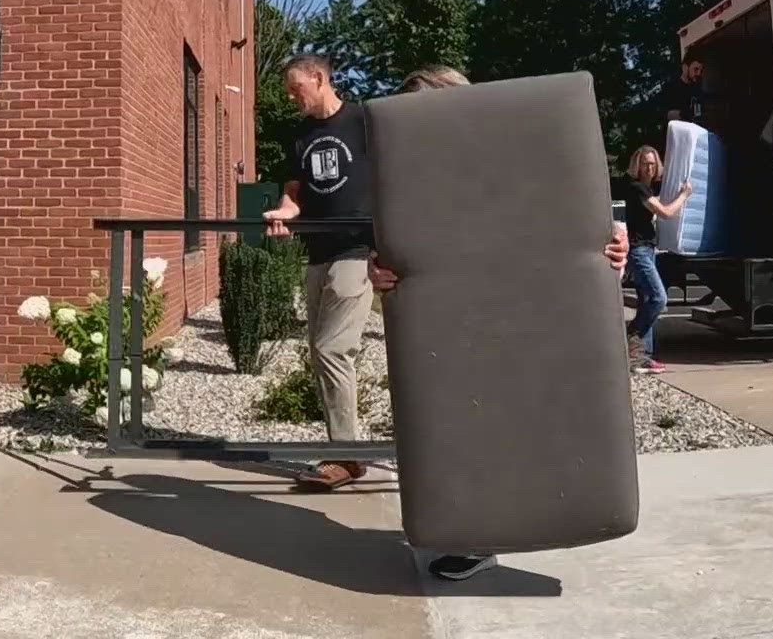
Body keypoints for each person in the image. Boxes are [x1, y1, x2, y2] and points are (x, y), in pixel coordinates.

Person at [368, 66, 629, 583]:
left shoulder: (514, 156)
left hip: (522, 312)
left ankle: (512, 523)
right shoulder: (413, 179)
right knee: (468, 422)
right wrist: (382, 272)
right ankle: (475, 531)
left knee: (523, 415)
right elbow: (399, 247)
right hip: (455, 319)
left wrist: (609, 244)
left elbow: (568, 212)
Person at [262, 53, 376, 493]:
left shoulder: (366, 122)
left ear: (319, 77)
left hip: (357, 250)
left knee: (332, 349)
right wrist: (284, 213)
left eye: (296, 88)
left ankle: (346, 455)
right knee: (320, 350)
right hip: (318, 253)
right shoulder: (302, 134)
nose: (292, 97)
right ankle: (347, 454)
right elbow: (295, 195)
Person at [616, 145, 690, 374]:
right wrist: (684, 195)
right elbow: (666, 212)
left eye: (652, 163)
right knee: (659, 298)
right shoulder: (637, 187)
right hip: (638, 251)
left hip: (648, 249)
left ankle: (641, 358)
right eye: (645, 163)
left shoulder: (646, 189)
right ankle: (633, 336)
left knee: (647, 299)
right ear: (636, 166)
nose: (649, 167)